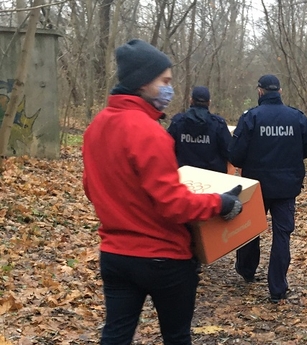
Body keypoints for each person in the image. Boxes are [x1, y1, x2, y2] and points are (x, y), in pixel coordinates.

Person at [82, 39, 243, 345]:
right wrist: (220, 203)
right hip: (164, 259)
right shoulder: (148, 132)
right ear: (143, 82)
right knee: (177, 336)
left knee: (115, 334)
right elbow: (174, 205)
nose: (170, 89)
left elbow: (92, 188)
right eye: (165, 81)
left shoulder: (96, 127)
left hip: (115, 255)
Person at [229, 74, 307, 303]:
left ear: (260, 91)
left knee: (251, 229)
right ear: (280, 92)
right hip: (286, 188)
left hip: (257, 187)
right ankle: (277, 289)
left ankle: (247, 270)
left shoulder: (251, 117)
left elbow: (235, 155)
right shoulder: (296, 117)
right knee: (282, 235)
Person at [167, 86, 232, 173]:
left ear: (191, 100)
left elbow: (167, 149)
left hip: (183, 177)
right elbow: (229, 152)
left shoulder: (177, 122)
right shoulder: (218, 124)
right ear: (209, 103)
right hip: (213, 179)